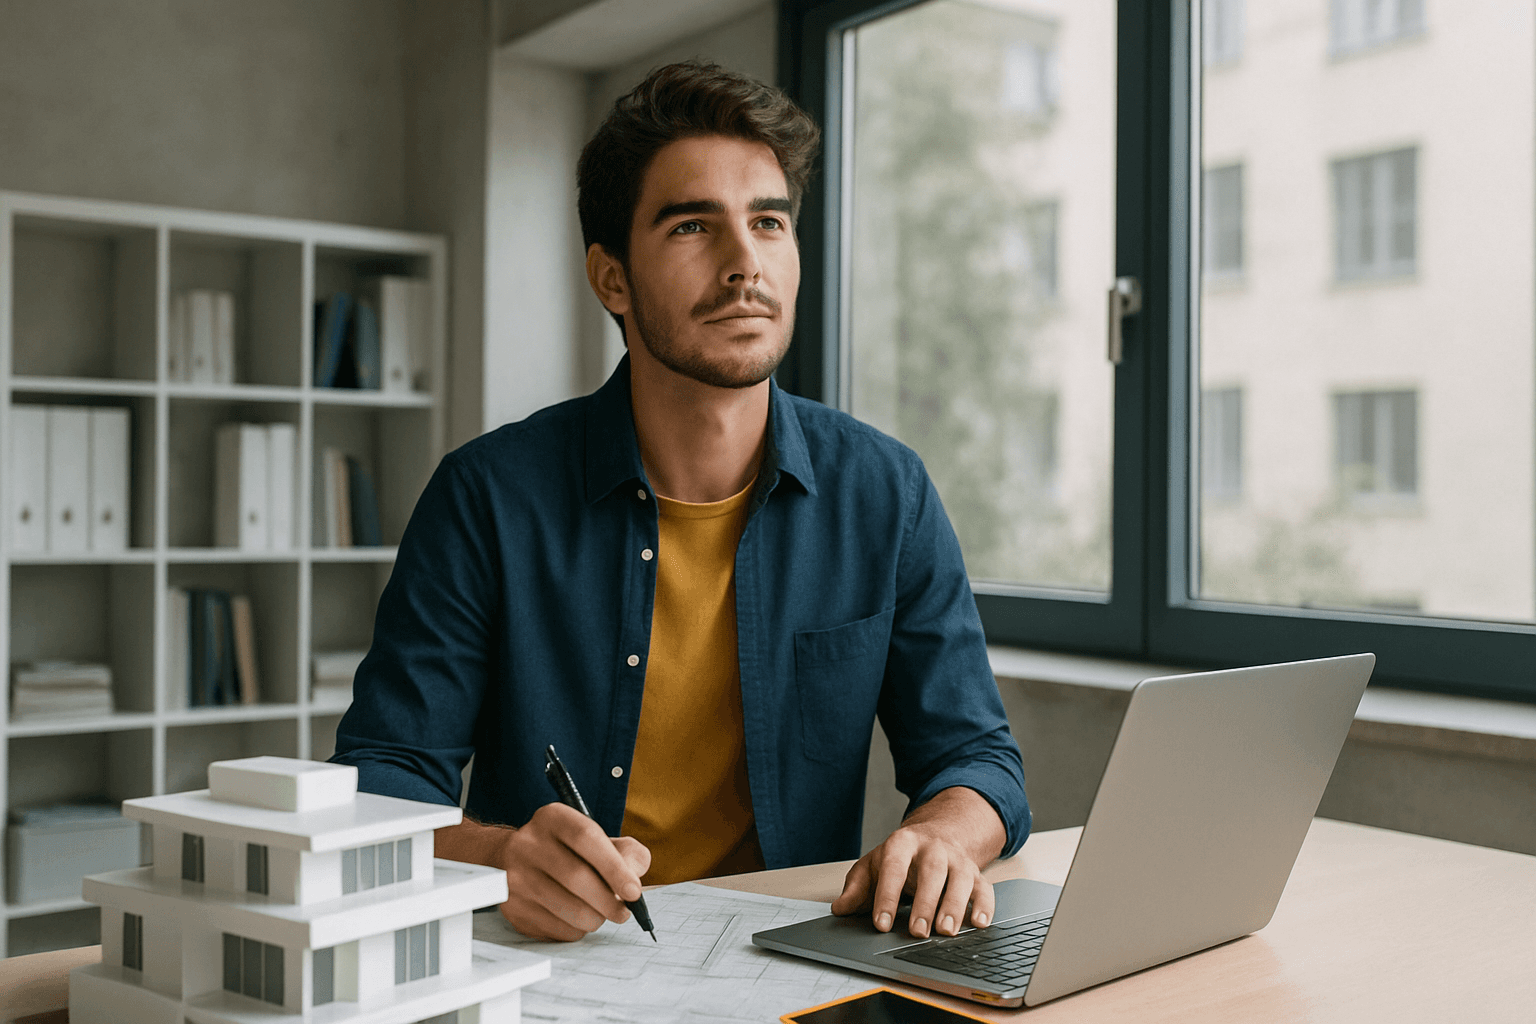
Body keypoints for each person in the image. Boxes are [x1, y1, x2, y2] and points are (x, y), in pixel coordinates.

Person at [331, 60, 1030, 945]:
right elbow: (381, 781)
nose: (745, 264)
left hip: (794, 961)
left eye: (768, 222)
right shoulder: (485, 497)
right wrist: (500, 858)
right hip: (556, 963)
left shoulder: (886, 493)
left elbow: (977, 758)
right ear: (612, 279)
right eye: (693, 226)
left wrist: (944, 834)